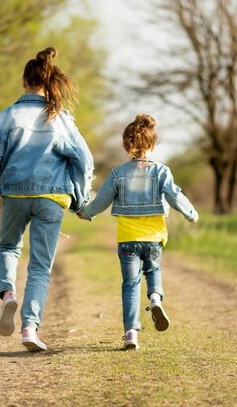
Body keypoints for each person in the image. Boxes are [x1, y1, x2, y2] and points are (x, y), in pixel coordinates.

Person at [0, 47, 94, 352]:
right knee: (40, 266)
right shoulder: (61, 118)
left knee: (9, 246)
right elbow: (85, 159)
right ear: (49, 81)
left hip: (14, 193)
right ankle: (29, 328)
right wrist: (80, 198)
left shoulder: (7, 116)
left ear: (25, 81)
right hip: (52, 198)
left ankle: (8, 293)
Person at [78, 114, 198, 350]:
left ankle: (131, 333)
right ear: (153, 145)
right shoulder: (162, 172)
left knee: (130, 285)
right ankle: (155, 298)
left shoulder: (117, 173)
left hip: (127, 240)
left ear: (126, 145)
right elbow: (175, 196)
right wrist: (191, 213)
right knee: (153, 270)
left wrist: (86, 212)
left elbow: (101, 201)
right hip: (153, 238)